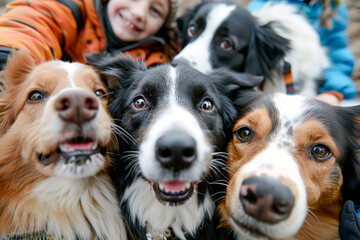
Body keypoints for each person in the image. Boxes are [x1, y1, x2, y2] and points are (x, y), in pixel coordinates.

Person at [0, 0, 179, 69]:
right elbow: (36, 21)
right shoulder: (73, 7)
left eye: (155, 10)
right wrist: (11, 55)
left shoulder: (156, 61)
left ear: (162, 27)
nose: (139, 13)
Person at [247, 0, 357, 105]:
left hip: (315, 88)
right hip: (271, 90)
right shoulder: (263, 7)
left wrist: (332, 92)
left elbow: (337, 56)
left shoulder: (334, 8)